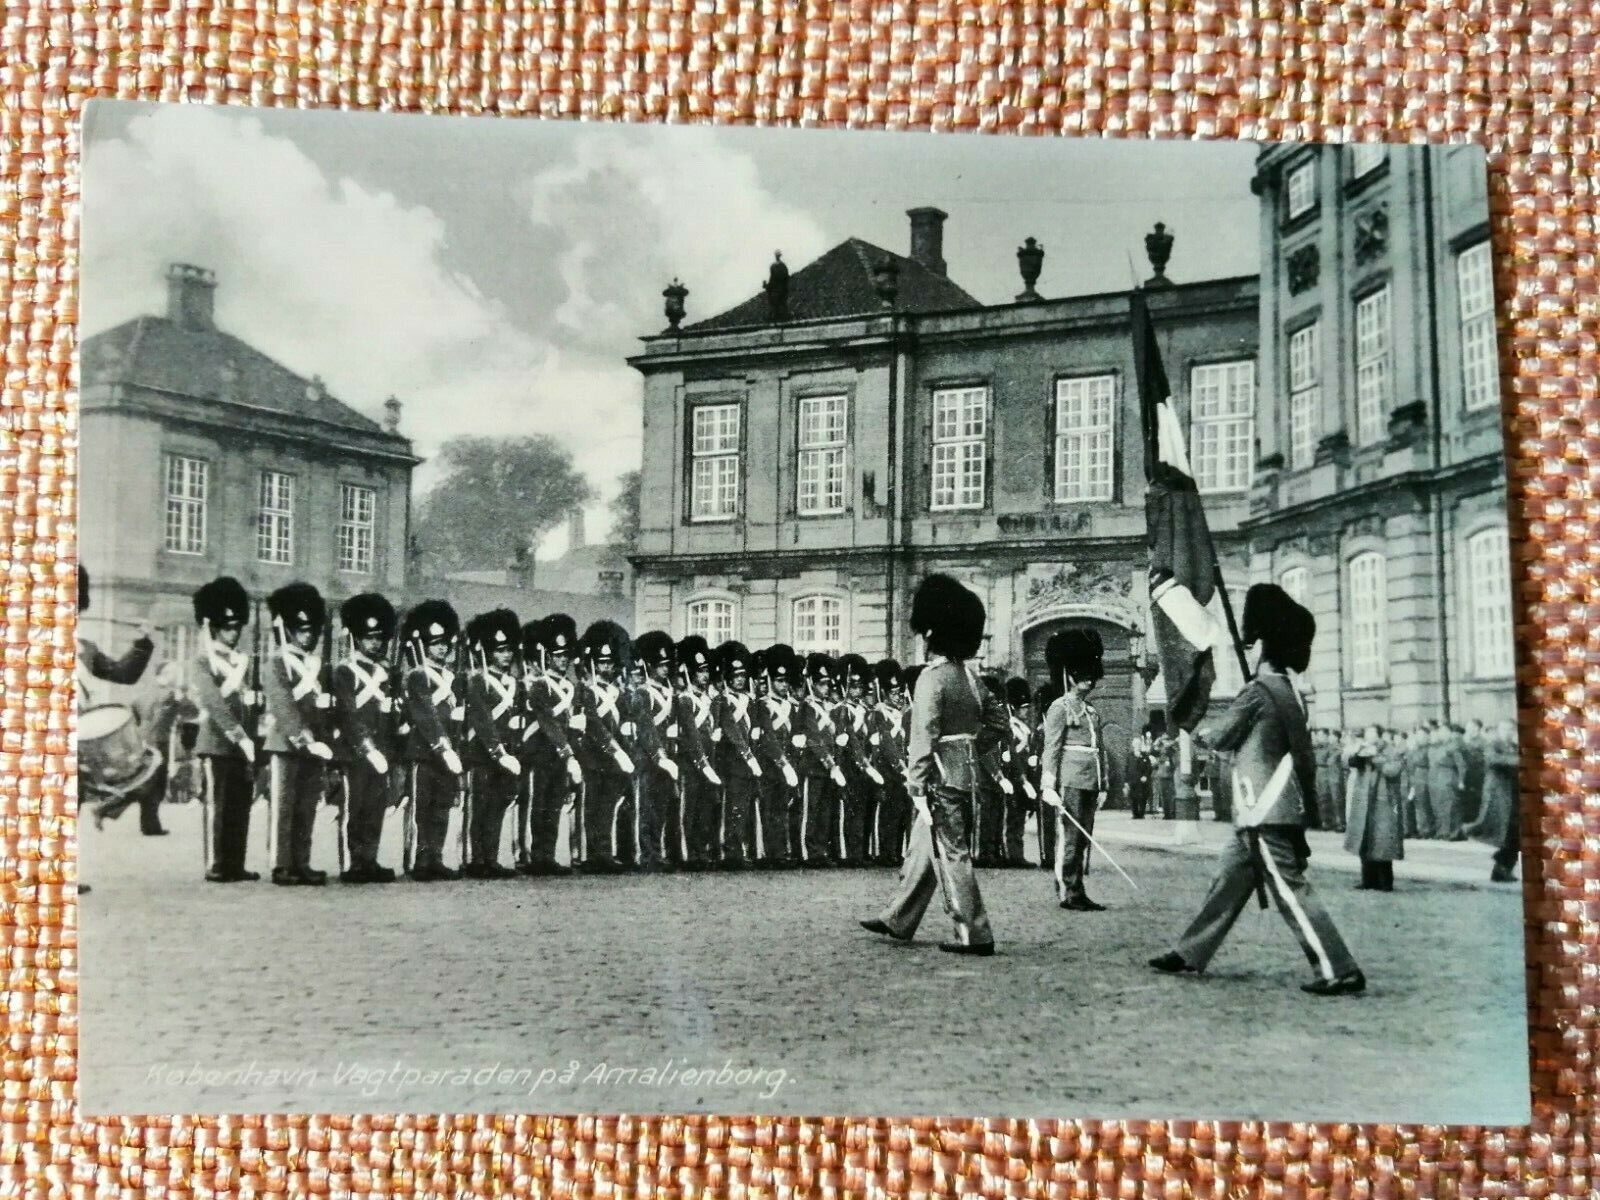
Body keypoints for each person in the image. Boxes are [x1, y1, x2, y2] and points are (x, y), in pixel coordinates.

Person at [1149, 583, 1365, 996]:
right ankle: (1190, 950)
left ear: (1263, 645)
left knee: (1289, 890)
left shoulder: (1259, 692)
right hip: (1268, 805)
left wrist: (1190, 724)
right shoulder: (1286, 691)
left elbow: (1220, 737)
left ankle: (1339, 966)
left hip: (1262, 806)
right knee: (1228, 880)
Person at [860, 574, 1004, 956]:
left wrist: (917, 784)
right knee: (926, 844)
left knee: (952, 852)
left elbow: (923, 736)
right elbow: (998, 724)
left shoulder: (931, 679)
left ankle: (974, 933)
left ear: (931, 635)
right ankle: (899, 917)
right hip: (965, 773)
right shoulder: (972, 679)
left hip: (939, 775)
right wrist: (969, 750)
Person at [261, 582, 335, 887]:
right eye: (301, 629)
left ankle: (302, 862)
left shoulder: (318, 666)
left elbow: (324, 708)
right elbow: (282, 704)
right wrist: (305, 739)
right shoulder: (278, 662)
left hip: (315, 747)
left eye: (312, 630)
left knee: (306, 807)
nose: (308, 635)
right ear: (290, 630)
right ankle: (282, 865)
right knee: (284, 807)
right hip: (287, 744)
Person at [189, 576, 258, 884]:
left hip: (243, 746)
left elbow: (249, 704)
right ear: (215, 628)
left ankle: (235, 862)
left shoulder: (242, 661)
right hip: (218, 743)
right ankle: (216, 863)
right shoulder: (204, 661)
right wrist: (239, 736)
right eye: (227, 628)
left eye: (236, 628)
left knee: (240, 806)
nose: (232, 633)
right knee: (217, 806)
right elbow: (214, 703)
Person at [330, 592, 399, 883]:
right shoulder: (345, 670)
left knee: (374, 808)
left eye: (379, 637)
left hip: (382, 751)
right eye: (369, 637)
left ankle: (369, 859)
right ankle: (351, 863)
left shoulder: (386, 671)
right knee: (354, 808)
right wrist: (368, 748)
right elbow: (348, 714)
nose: (375, 642)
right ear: (357, 638)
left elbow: (389, 716)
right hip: (355, 752)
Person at [1040, 629, 1110, 912]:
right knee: (1069, 837)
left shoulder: (1091, 710)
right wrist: (1048, 784)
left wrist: (1103, 784)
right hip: (1069, 779)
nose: (1089, 680)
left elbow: (1099, 750)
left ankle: (1078, 888)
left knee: (1082, 838)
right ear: (1070, 674)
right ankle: (1067, 890)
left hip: (1090, 781)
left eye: (1091, 674)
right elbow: (1052, 747)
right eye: (1083, 674)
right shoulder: (1059, 707)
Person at [399, 599, 465, 882]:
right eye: (435, 643)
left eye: (444, 643)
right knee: (421, 808)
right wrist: (443, 747)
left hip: (448, 752)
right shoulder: (416, 676)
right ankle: (418, 858)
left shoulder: (451, 677)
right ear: (425, 645)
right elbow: (425, 715)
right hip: (425, 752)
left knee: (441, 808)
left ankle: (435, 856)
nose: (441, 648)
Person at [518, 615, 584, 875]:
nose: (562, 660)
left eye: (565, 655)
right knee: (539, 805)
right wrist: (568, 754)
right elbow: (548, 723)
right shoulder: (539, 687)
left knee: (555, 805)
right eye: (557, 656)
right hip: (541, 754)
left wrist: (574, 744)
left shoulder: (570, 687)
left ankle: (548, 854)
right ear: (548, 657)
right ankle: (537, 857)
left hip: (560, 756)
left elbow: (570, 724)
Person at [461, 609, 524, 879]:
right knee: (480, 808)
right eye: (499, 650)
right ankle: (476, 859)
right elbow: (482, 720)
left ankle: (491, 857)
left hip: (506, 754)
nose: (505, 655)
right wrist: (498, 752)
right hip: (483, 754)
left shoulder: (513, 683)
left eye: (508, 650)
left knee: (498, 807)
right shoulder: (478, 680)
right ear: (488, 652)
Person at [573, 620, 635, 872]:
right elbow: (592, 723)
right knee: (592, 806)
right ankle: (590, 855)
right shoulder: (585, 691)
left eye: (609, 663)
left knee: (608, 806)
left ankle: (604, 853)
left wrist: (628, 729)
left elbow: (624, 720)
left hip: (611, 758)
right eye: (601, 663)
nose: (606, 667)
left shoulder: (619, 693)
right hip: (592, 755)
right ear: (593, 664)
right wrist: (615, 749)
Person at [630, 630, 680, 871]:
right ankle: (648, 855)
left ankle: (657, 852)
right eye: (660, 665)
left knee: (661, 808)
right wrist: (660, 756)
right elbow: (646, 729)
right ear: (650, 666)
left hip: (667, 757)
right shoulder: (642, 694)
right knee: (647, 808)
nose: (665, 669)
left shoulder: (669, 694)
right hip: (650, 760)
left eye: (666, 665)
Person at [673, 636, 723, 869]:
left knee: (705, 808)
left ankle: (701, 851)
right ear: (691, 673)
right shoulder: (685, 700)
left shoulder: (710, 700)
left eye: (706, 671)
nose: (705, 675)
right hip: (692, 762)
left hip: (709, 761)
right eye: (700, 671)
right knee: (690, 808)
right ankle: (688, 853)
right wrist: (703, 762)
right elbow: (691, 735)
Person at [714, 641, 764, 867]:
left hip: (748, 763)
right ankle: (731, 851)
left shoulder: (749, 701)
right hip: (732, 761)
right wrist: (748, 755)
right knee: (733, 806)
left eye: (743, 675)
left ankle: (743, 849)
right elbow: (731, 730)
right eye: (735, 676)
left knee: (744, 808)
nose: (740, 679)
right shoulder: (723, 700)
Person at [795, 653, 847, 866]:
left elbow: (833, 737)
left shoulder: (829, 707)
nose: (826, 688)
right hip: (814, 767)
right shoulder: (807, 707)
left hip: (828, 768)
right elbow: (813, 739)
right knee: (811, 810)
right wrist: (830, 763)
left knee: (825, 811)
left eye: (828, 684)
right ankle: (808, 852)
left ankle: (820, 851)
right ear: (812, 684)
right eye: (822, 684)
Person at [753, 644, 802, 868]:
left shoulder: (791, 707)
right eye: (780, 681)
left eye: (786, 681)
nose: (784, 685)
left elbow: (793, 735)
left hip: (786, 765)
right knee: (769, 808)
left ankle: (781, 852)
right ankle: (769, 854)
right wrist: (783, 763)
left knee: (782, 808)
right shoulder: (764, 705)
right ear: (772, 681)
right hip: (770, 764)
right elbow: (768, 738)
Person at [834, 654, 883, 867]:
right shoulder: (841, 710)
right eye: (852, 686)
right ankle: (849, 853)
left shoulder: (864, 710)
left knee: (862, 809)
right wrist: (862, 762)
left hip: (865, 764)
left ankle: (861, 850)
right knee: (850, 810)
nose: (857, 691)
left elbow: (870, 736)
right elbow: (850, 740)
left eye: (859, 687)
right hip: (848, 765)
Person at [1343, 724, 1403, 891]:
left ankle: (1385, 882)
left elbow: (1393, 771)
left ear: (1380, 735)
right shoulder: (1363, 748)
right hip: (1364, 802)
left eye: (1372, 734)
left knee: (1382, 843)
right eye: (1367, 734)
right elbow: (1349, 763)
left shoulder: (1391, 750)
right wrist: (1358, 755)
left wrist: (1376, 758)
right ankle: (1368, 880)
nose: (1369, 737)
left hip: (1382, 803)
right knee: (1365, 840)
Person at [868, 659, 910, 866]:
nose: (899, 697)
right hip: (887, 769)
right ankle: (885, 851)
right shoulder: (879, 713)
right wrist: (900, 766)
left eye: (900, 692)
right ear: (884, 693)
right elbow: (886, 743)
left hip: (902, 770)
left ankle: (896, 850)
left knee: (902, 810)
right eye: (894, 693)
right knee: (888, 813)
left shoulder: (902, 714)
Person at [1127, 721, 1154, 821]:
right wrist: (1126, 781)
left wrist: (1146, 776)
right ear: (1133, 745)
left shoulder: (1144, 755)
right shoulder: (1130, 756)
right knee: (1133, 797)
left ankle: (1141, 813)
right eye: (1135, 744)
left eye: (1138, 744)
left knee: (1142, 797)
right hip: (1133, 780)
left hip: (1142, 780)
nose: (1137, 745)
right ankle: (1135, 814)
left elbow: (1149, 767)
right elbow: (1127, 768)